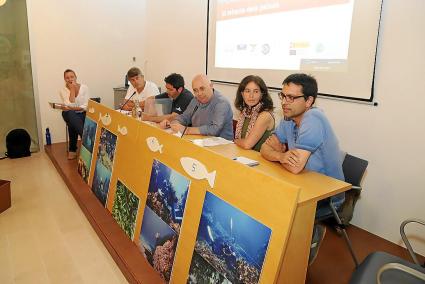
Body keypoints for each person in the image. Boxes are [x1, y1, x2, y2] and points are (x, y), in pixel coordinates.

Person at [260, 73, 344, 265]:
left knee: (276, 210)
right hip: (302, 184)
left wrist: (281, 156)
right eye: (283, 96)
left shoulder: (314, 118)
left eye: (292, 97)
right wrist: (281, 156)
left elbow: (296, 166)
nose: (285, 102)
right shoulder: (288, 119)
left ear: (309, 101)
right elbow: (265, 148)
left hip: (326, 196)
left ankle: (298, 253)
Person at [160, 74, 233, 140]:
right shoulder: (195, 100)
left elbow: (215, 129)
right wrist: (173, 123)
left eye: (202, 88)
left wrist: (187, 130)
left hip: (222, 145)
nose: (199, 93)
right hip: (200, 141)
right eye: (195, 90)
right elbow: (184, 117)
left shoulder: (221, 103)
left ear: (211, 86)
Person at [234, 75, 274, 151]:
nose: (251, 96)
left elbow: (247, 144)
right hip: (245, 156)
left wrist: (235, 141)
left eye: (256, 91)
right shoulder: (245, 112)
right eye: (247, 91)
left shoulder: (264, 115)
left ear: (262, 94)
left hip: (260, 160)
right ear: (242, 94)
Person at [59, 69, 90, 160]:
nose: (70, 79)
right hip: (68, 113)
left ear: (76, 77)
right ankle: (86, 139)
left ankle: (72, 149)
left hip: (82, 113)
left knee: (72, 123)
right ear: (65, 79)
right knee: (71, 114)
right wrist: (72, 90)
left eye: (72, 76)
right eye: (67, 78)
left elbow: (86, 106)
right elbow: (70, 104)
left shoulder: (84, 87)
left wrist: (72, 108)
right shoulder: (63, 90)